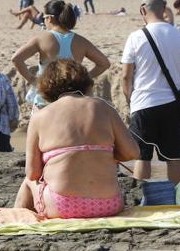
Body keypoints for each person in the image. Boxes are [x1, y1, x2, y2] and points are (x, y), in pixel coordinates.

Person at [14, 59, 140, 219]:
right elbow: (132, 152)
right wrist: (108, 155)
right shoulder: (104, 108)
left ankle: (17, 220)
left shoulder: (40, 117)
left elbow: (33, 173)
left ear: (47, 87)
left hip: (63, 206)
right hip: (109, 204)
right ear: (84, 82)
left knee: (28, 181)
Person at [121, 0, 180, 185]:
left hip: (144, 103)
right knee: (174, 158)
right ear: (164, 9)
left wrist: (130, 100)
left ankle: (140, 200)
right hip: (172, 105)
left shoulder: (136, 37)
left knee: (143, 157)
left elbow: (126, 76)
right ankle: (179, 200)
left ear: (143, 10)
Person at [11, 0, 111, 109]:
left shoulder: (42, 38)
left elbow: (16, 59)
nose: (43, 20)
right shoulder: (81, 41)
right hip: (73, 100)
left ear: (50, 18)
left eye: (43, 17)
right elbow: (104, 63)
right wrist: (86, 77)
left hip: (46, 99)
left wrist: (33, 80)